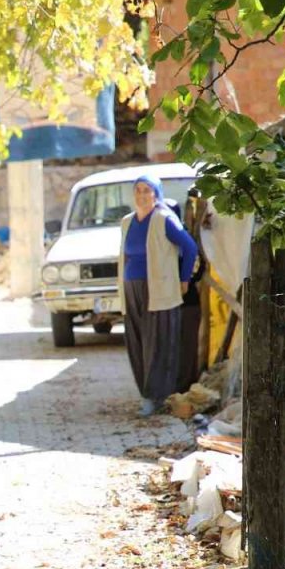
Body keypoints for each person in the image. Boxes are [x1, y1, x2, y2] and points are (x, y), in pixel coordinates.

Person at [120, 173, 200, 417]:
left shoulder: (164, 219)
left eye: (147, 190)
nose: (142, 195)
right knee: (137, 342)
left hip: (160, 289)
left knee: (158, 343)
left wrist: (184, 278)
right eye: (138, 190)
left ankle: (156, 397)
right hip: (131, 289)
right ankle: (147, 392)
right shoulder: (127, 221)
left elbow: (189, 247)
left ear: (156, 194)